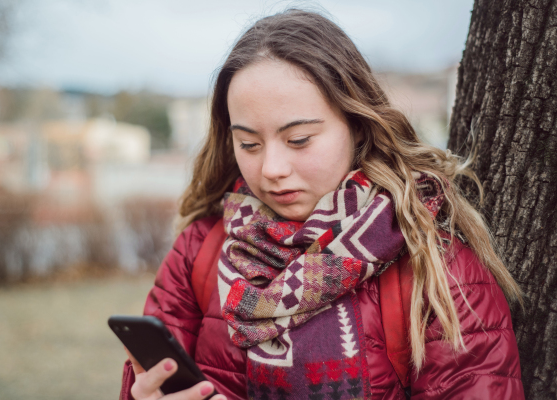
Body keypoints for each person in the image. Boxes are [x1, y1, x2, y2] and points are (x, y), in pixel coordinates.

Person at [119, 9, 525, 400]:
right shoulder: (199, 251)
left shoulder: (437, 268)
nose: (272, 168)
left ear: (356, 122)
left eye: (299, 140)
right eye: (249, 144)